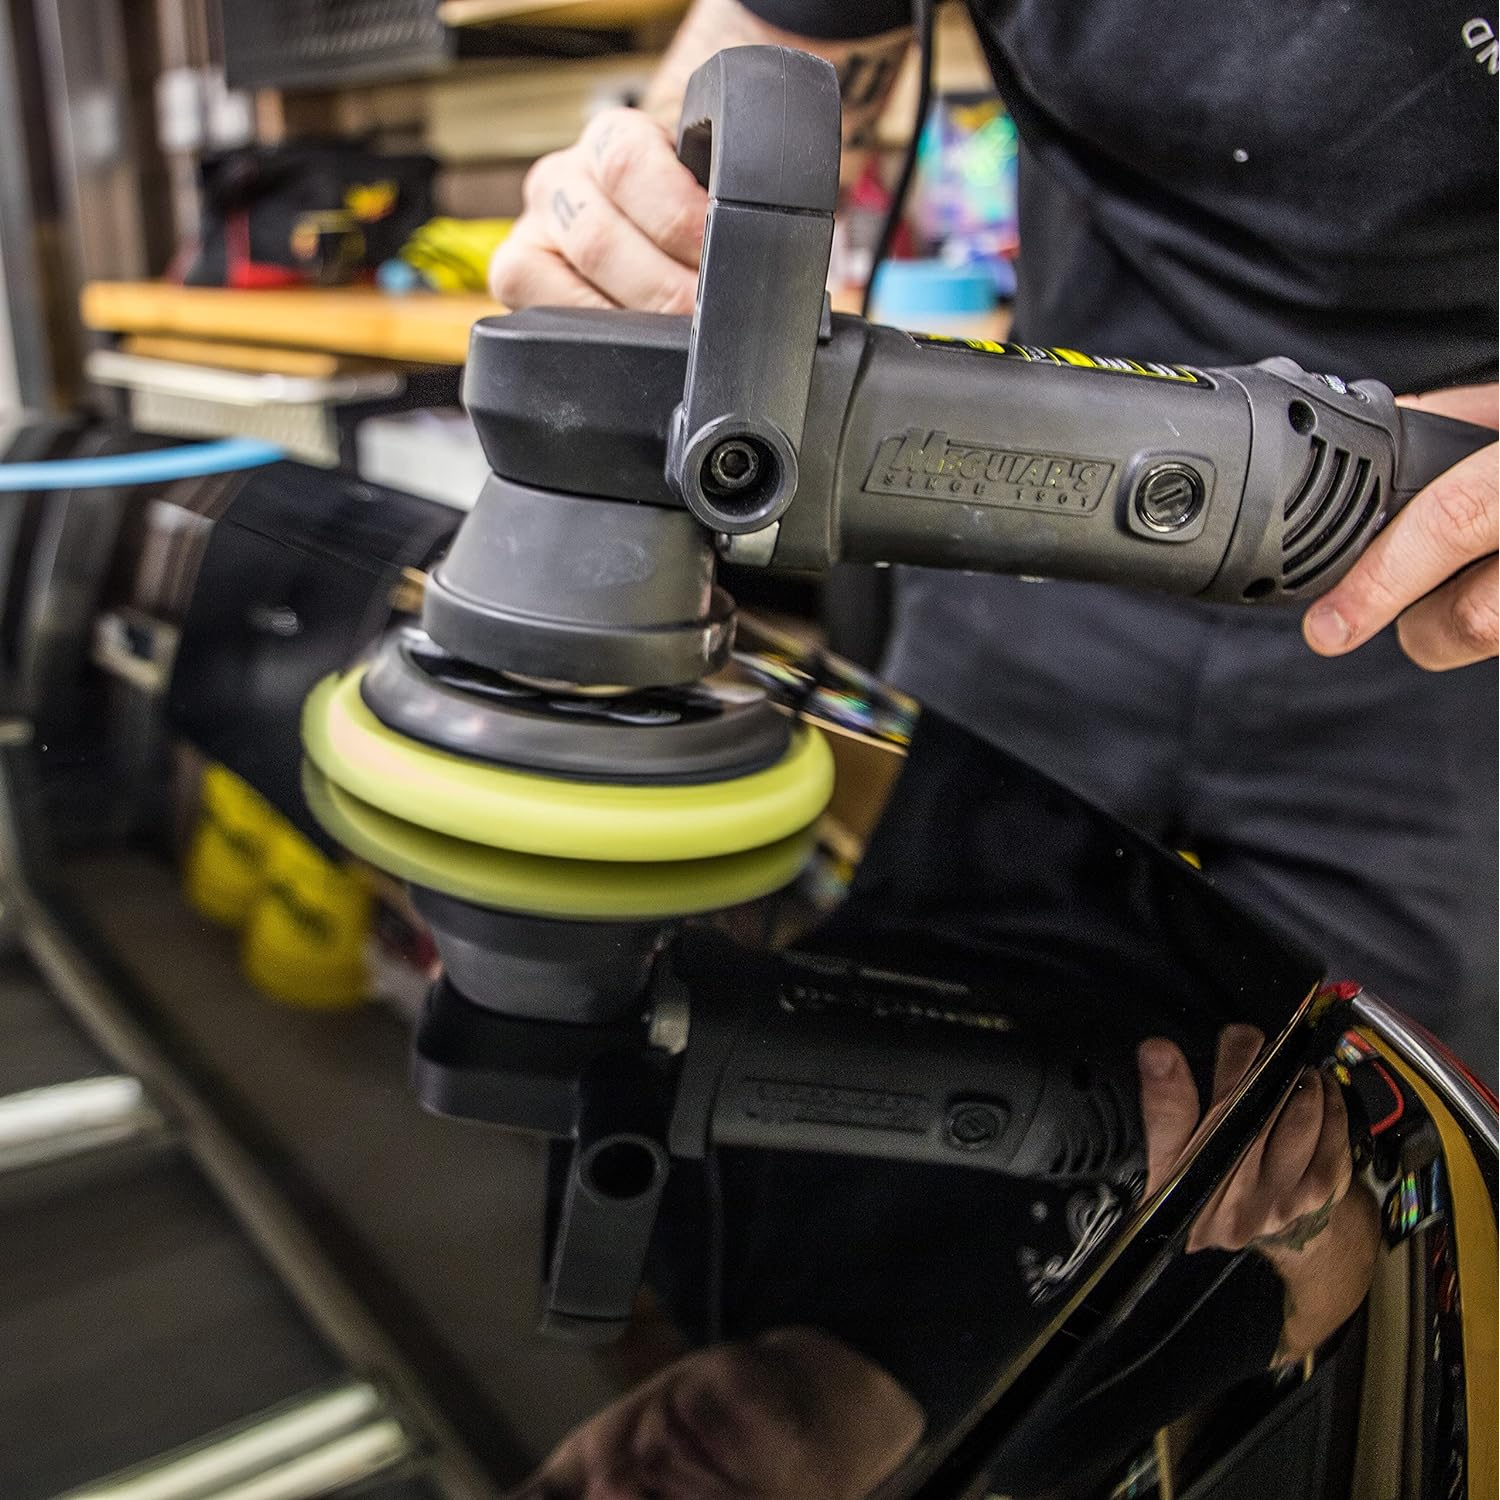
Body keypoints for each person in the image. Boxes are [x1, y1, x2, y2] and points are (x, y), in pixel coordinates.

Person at [489, 0, 1499, 1083]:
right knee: (904, 1060)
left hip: (1447, 603)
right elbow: (773, 54)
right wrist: (635, 222)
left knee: (1375, 1123)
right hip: (1029, 536)